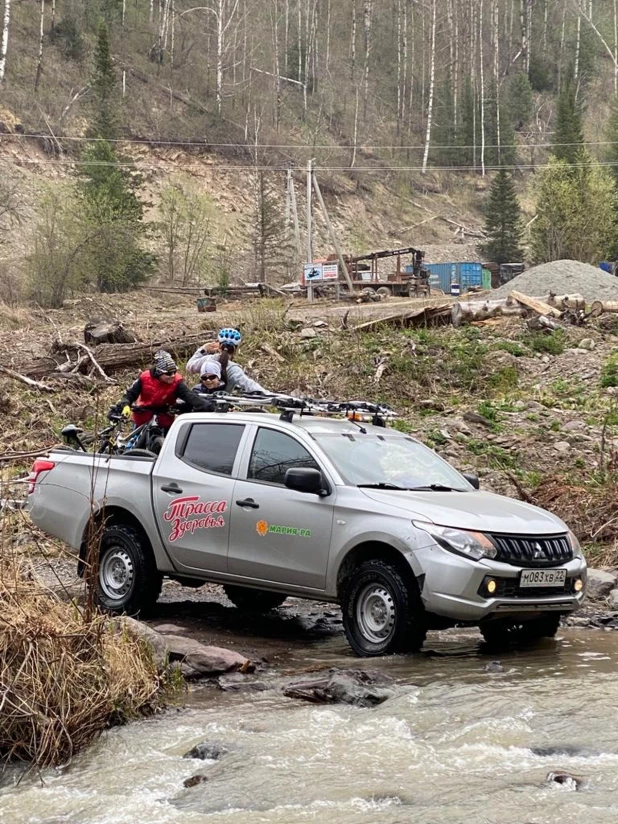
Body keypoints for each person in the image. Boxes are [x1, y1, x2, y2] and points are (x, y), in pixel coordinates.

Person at [110, 350, 212, 430]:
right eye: (168, 373)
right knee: (134, 443)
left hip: (164, 418)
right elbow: (130, 394)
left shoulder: (177, 382)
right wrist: (126, 405)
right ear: (159, 373)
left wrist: (210, 407)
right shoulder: (144, 378)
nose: (172, 376)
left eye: (174, 372)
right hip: (143, 416)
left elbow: (191, 397)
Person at [186, 327, 268, 394]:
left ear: (219, 346)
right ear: (235, 349)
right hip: (221, 407)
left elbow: (190, 367)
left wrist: (203, 349)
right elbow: (248, 383)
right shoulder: (233, 368)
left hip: (201, 401)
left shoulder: (208, 359)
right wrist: (269, 394)